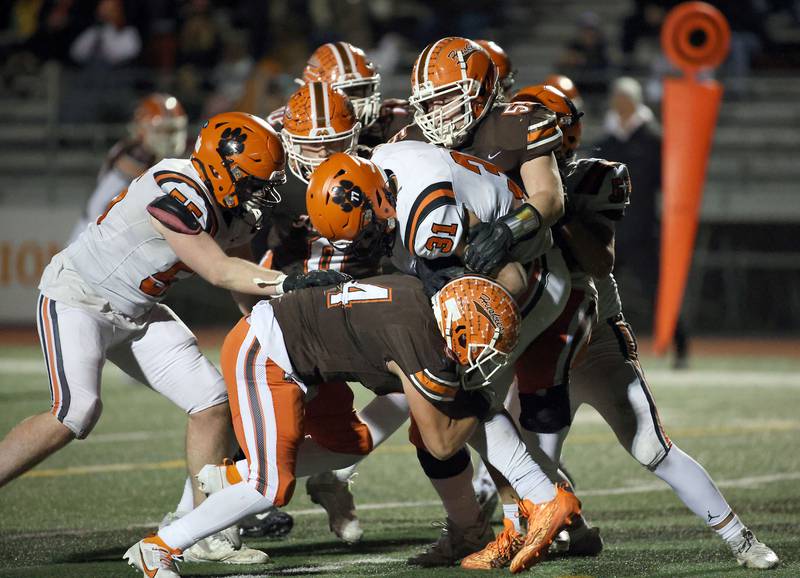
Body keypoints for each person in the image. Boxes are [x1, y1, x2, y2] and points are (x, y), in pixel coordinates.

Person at [0, 112, 348, 561]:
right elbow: (219, 270)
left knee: (212, 402)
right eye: (251, 177)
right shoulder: (175, 185)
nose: (259, 189)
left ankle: (199, 531)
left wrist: (271, 328)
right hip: (79, 297)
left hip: (137, 311)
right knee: (75, 412)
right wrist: (287, 284)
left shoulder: (232, 208)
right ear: (222, 165)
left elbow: (243, 276)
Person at [468, 78, 779, 571]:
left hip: (592, 337)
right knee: (514, 452)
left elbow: (599, 261)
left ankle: (742, 540)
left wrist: (553, 209)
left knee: (652, 448)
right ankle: (560, 528)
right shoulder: (494, 177)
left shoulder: (592, 177)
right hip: (532, 337)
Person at [124, 273, 524, 577]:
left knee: (353, 441)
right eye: (482, 343)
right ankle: (160, 546)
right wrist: (480, 398)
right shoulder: (417, 337)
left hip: (308, 361)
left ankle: (235, 477)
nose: (483, 357)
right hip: (268, 351)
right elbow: (440, 445)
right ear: (455, 324)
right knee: (270, 487)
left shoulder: (417, 299)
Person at [595, 76, 689, 366]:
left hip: (643, 232)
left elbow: (672, 185)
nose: (618, 103)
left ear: (633, 102)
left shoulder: (653, 138)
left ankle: (681, 346)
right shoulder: (607, 141)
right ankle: (582, 350)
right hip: (609, 233)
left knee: (659, 293)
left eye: (623, 98)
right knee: (593, 294)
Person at [68, 93, 188, 243]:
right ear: (142, 129)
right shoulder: (134, 157)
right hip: (95, 238)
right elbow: (99, 206)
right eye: (162, 130)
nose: (169, 137)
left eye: (173, 130)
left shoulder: (149, 154)